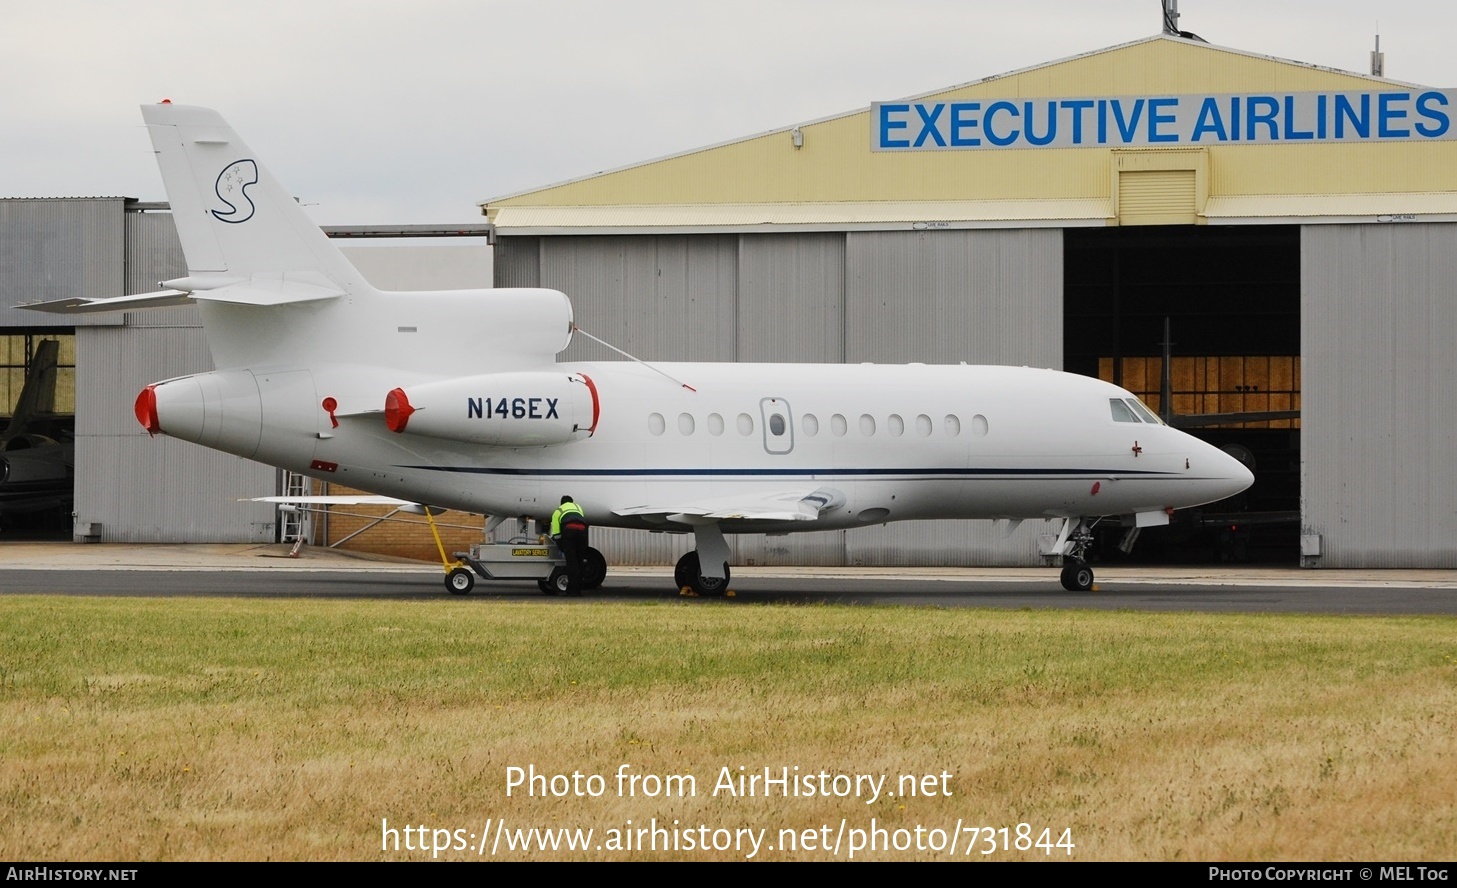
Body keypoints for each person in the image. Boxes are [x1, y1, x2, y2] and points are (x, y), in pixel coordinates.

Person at [550, 495, 589, 595]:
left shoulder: (558, 511)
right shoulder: (578, 507)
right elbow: (581, 521)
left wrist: (561, 547)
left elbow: (557, 534)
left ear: (561, 503)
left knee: (572, 563)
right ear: (572, 502)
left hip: (569, 532)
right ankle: (579, 589)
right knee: (580, 561)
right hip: (582, 532)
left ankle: (572, 591)